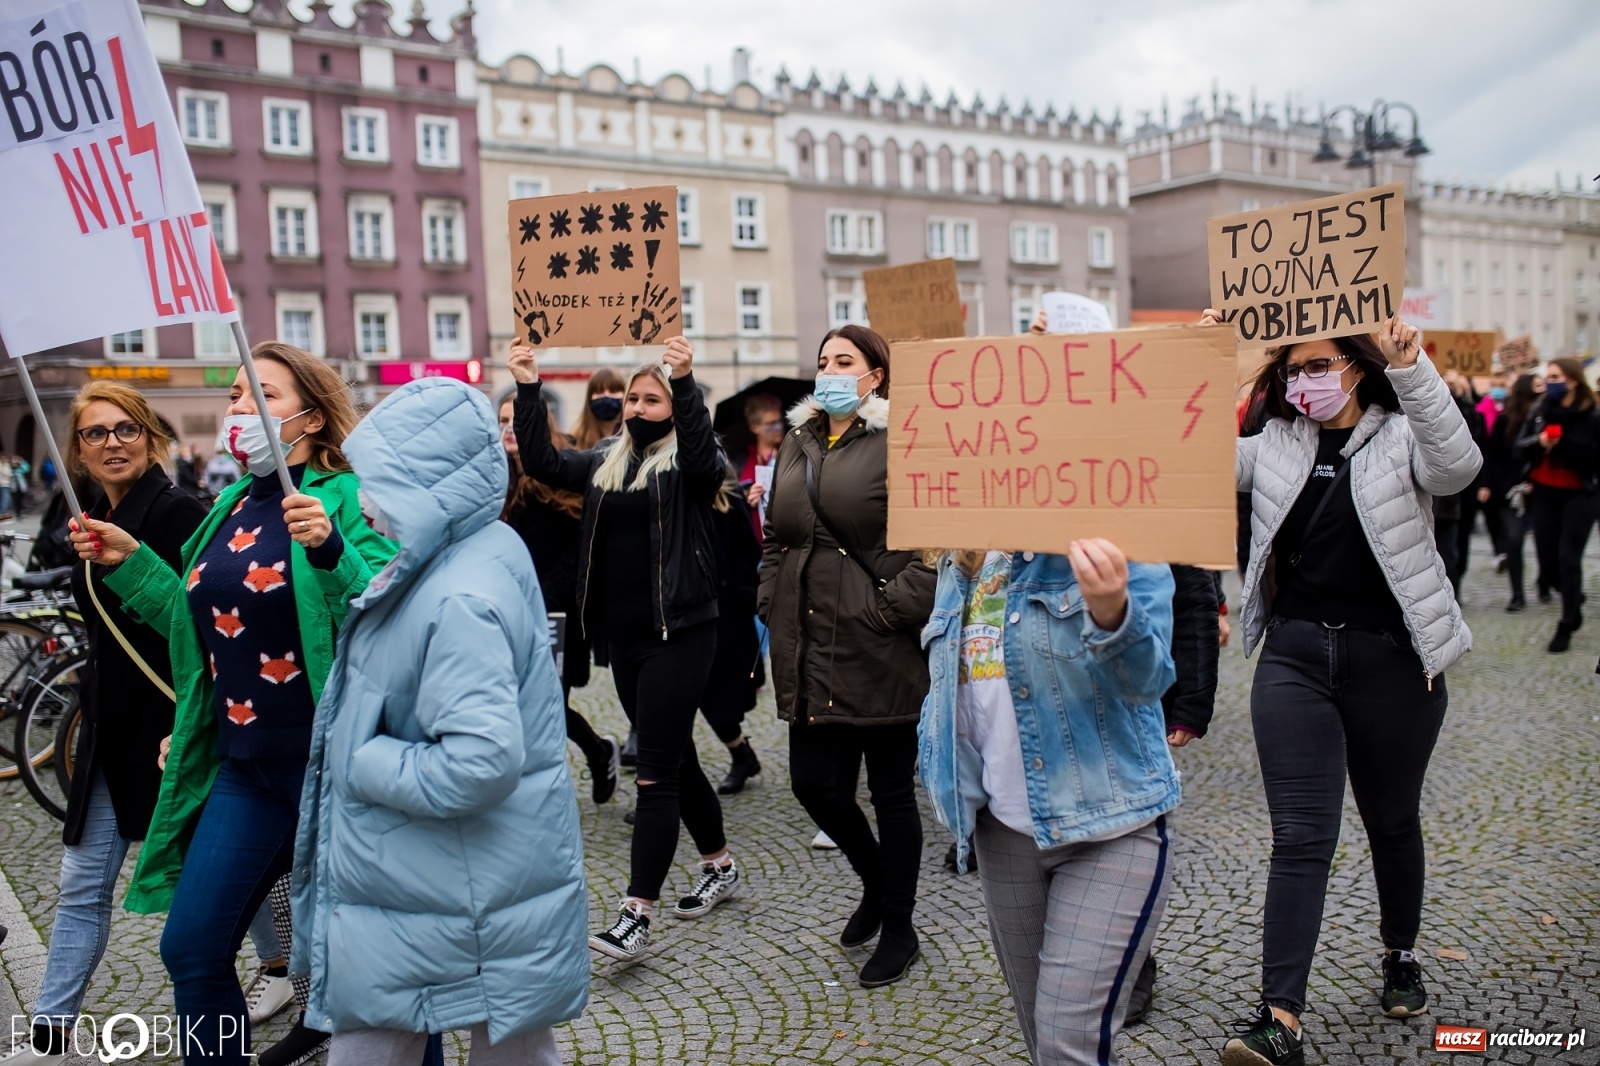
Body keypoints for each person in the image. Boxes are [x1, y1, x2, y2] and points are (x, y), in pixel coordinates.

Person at [70, 343, 396, 1066]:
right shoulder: (228, 504)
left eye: (263, 396)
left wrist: (334, 552)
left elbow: (387, 614)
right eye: (236, 397)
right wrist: (135, 564)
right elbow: (200, 628)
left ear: (309, 418)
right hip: (244, 770)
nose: (240, 410)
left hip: (330, 772)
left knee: (371, 971)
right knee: (191, 947)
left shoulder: (348, 496)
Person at [294, 378, 588, 1066]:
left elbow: (479, 761)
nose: (364, 504)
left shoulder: (459, 594)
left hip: (453, 886)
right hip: (457, 881)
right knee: (509, 1046)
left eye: (380, 483)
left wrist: (360, 759)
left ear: (428, 483)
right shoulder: (474, 549)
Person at [1217, 312, 1480, 1066]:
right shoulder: (1274, 443)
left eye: (1319, 366)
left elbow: (1458, 468)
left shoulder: (1400, 435)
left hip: (1393, 662)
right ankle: (1280, 1020)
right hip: (1295, 659)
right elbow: (1187, 455)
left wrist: (1414, 370)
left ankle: (1399, 952)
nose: (1305, 382)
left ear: (1356, 368)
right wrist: (1200, 363)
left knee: (1391, 820)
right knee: (1300, 839)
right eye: (1292, 371)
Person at [511, 336, 741, 964]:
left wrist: (686, 383)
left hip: (684, 634)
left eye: (652, 398)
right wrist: (530, 388)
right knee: (677, 755)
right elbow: (542, 462)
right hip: (628, 640)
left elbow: (701, 455)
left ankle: (635, 915)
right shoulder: (608, 460)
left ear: (674, 406)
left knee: (655, 772)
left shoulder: (693, 461)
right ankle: (719, 865)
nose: (638, 407)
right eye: (633, 398)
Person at [2, 384, 208, 1064]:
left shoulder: (181, 515)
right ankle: (50, 1028)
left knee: (228, 874)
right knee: (82, 883)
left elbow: (202, 629)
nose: (112, 442)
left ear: (151, 437)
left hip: (173, 726)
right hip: (107, 728)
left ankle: (280, 974)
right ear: (79, 452)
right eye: (96, 433)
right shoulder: (87, 515)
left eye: (126, 429)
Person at [920, 543, 1178, 1065]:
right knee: (1043, 1040)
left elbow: (1148, 680)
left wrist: (1112, 613)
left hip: (1113, 828)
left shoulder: (1122, 545)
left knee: (1066, 1043)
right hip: (1003, 833)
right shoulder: (961, 561)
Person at [759, 324, 937, 988]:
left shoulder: (902, 439)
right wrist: (768, 595)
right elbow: (778, 535)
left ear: (876, 375)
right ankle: (876, 881)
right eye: (823, 360)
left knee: (891, 793)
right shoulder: (797, 440)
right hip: (808, 641)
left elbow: (937, 547)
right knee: (815, 784)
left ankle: (899, 924)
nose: (830, 370)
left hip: (879, 644)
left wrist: (891, 609)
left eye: (845, 360)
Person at [497, 396, 620, 803]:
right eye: (502, 421)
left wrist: (541, 603)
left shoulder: (554, 479)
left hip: (554, 614)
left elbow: (572, 556)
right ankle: (597, 751)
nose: (509, 429)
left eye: (516, 421)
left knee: (545, 704)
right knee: (525, 702)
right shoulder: (498, 481)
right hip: (513, 614)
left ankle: (593, 756)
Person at [1516, 358, 1600, 653]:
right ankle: (1573, 600)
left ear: (1573, 380)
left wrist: (1562, 444)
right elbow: (1520, 445)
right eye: (1548, 377)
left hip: (1580, 494)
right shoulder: (1542, 410)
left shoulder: (1592, 415)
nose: (1549, 382)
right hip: (1544, 492)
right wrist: (1540, 442)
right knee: (1548, 565)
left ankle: (1566, 622)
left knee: (1568, 559)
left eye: (1555, 376)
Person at [702, 469, 764, 795]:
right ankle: (658, 789)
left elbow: (746, 552)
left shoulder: (726, 495)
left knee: (719, 700)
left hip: (723, 613)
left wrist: (739, 595)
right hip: (679, 611)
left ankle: (741, 754)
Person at [1481, 373, 1539, 611]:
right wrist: (1487, 484)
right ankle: (1518, 594)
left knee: (1549, 543)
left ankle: (1548, 580)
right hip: (1510, 492)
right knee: (1514, 540)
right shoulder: (1506, 421)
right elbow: (1492, 455)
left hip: (1542, 490)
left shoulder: (1546, 419)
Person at [738, 394, 784, 541]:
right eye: (771, 424)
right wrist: (745, 497)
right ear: (755, 427)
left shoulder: (792, 454)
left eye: (779, 421)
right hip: (752, 544)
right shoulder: (741, 461)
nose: (778, 428)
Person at [570, 366, 627, 450]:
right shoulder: (575, 441)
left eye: (613, 391)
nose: (606, 395)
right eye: (599, 391)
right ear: (589, 397)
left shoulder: (634, 438)